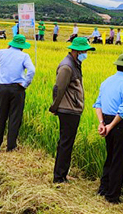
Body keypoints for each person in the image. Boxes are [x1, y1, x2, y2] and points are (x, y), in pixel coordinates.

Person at [49, 36, 95, 183]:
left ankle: (63, 174)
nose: (86, 54)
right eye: (84, 51)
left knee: (67, 143)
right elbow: (59, 88)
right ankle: (59, 177)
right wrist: (54, 107)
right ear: (76, 50)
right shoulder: (67, 67)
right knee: (65, 144)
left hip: (72, 109)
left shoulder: (75, 64)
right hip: (68, 110)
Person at [93, 54, 123, 203]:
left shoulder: (106, 82)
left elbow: (98, 104)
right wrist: (111, 126)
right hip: (120, 124)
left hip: (105, 119)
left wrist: (102, 124)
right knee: (120, 160)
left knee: (110, 156)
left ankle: (103, 189)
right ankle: (112, 196)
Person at [0, 34, 35, 152]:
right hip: (17, 89)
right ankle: (11, 146)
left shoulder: (2, 52)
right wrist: (25, 84)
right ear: (22, 46)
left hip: (3, 88)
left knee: (1, 116)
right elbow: (32, 70)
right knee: (15, 117)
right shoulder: (25, 56)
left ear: (11, 43)